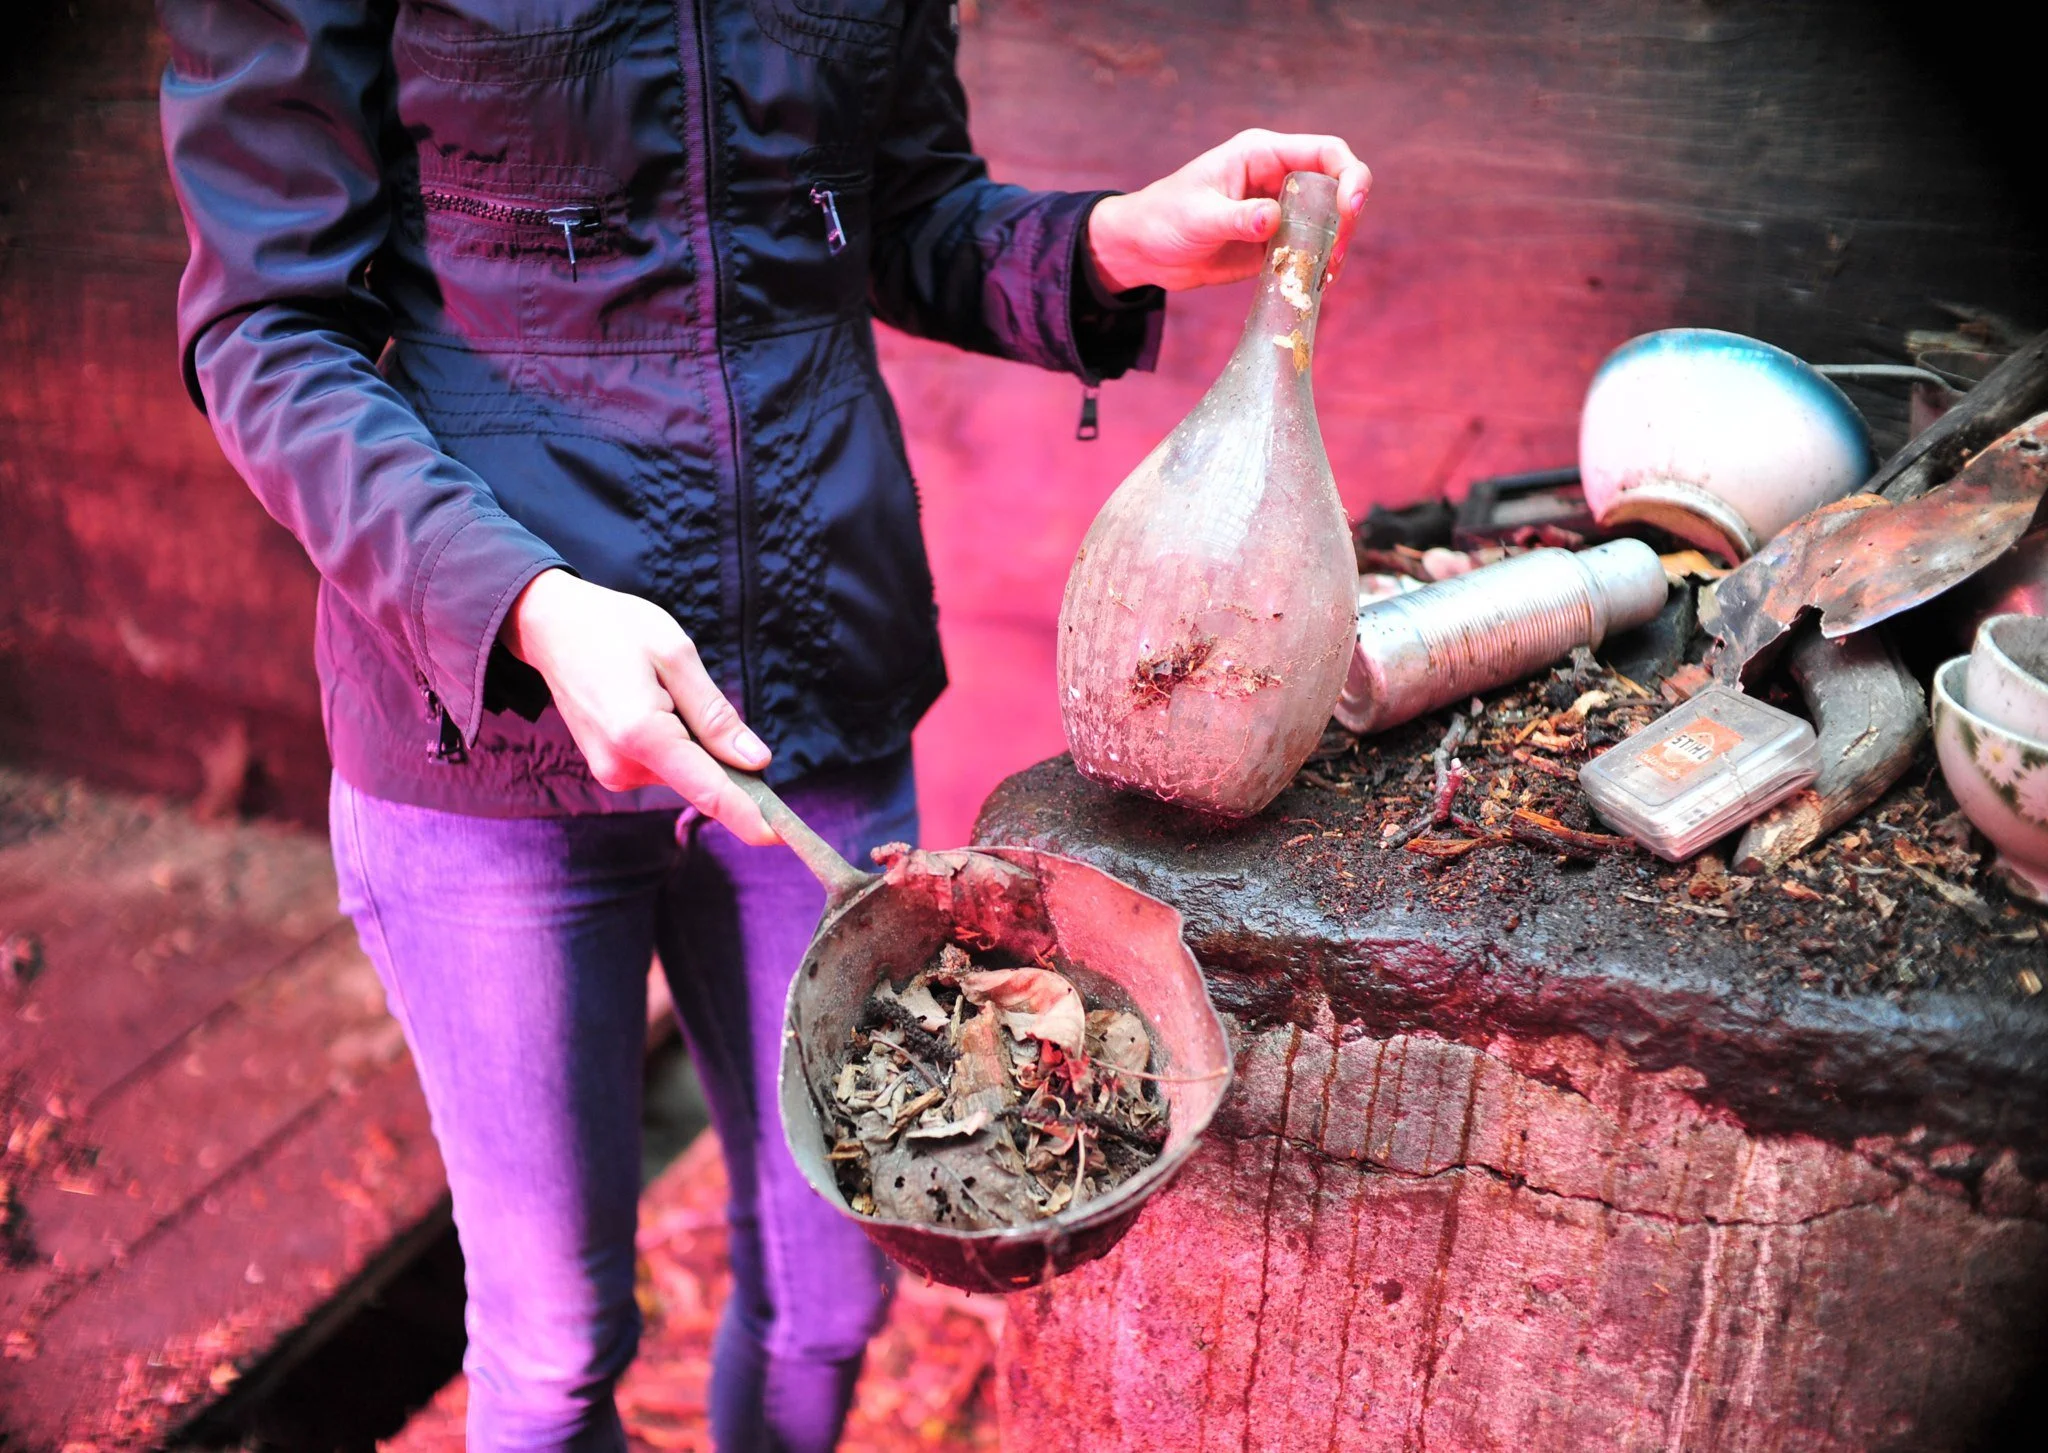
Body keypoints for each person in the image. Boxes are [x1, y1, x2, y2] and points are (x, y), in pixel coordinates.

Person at [159, 1, 1369, 1447]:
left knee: (831, 1305)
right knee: (550, 1355)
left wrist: (1111, 238)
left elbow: (895, 211)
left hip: (813, 676)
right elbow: (268, 327)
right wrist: (528, 603)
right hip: (487, 722)